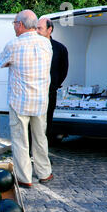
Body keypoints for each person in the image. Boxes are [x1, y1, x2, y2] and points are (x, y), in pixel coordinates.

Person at [0, 10, 53, 188]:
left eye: (14, 23)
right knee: (40, 138)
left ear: (20, 25)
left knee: (21, 141)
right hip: (40, 99)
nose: (14, 26)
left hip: (19, 101)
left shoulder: (13, 44)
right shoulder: (46, 43)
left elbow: (0, 62)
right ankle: (44, 173)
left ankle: (25, 178)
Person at [37, 17, 69, 145]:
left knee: (47, 122)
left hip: (50, 92)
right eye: (36, 28)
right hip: (33, 92)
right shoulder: (33, 46)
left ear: (49, 30)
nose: (37, 31)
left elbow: (63, 70)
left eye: (40, 28)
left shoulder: (60, 48)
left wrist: (53, 85)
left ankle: (44, 153)